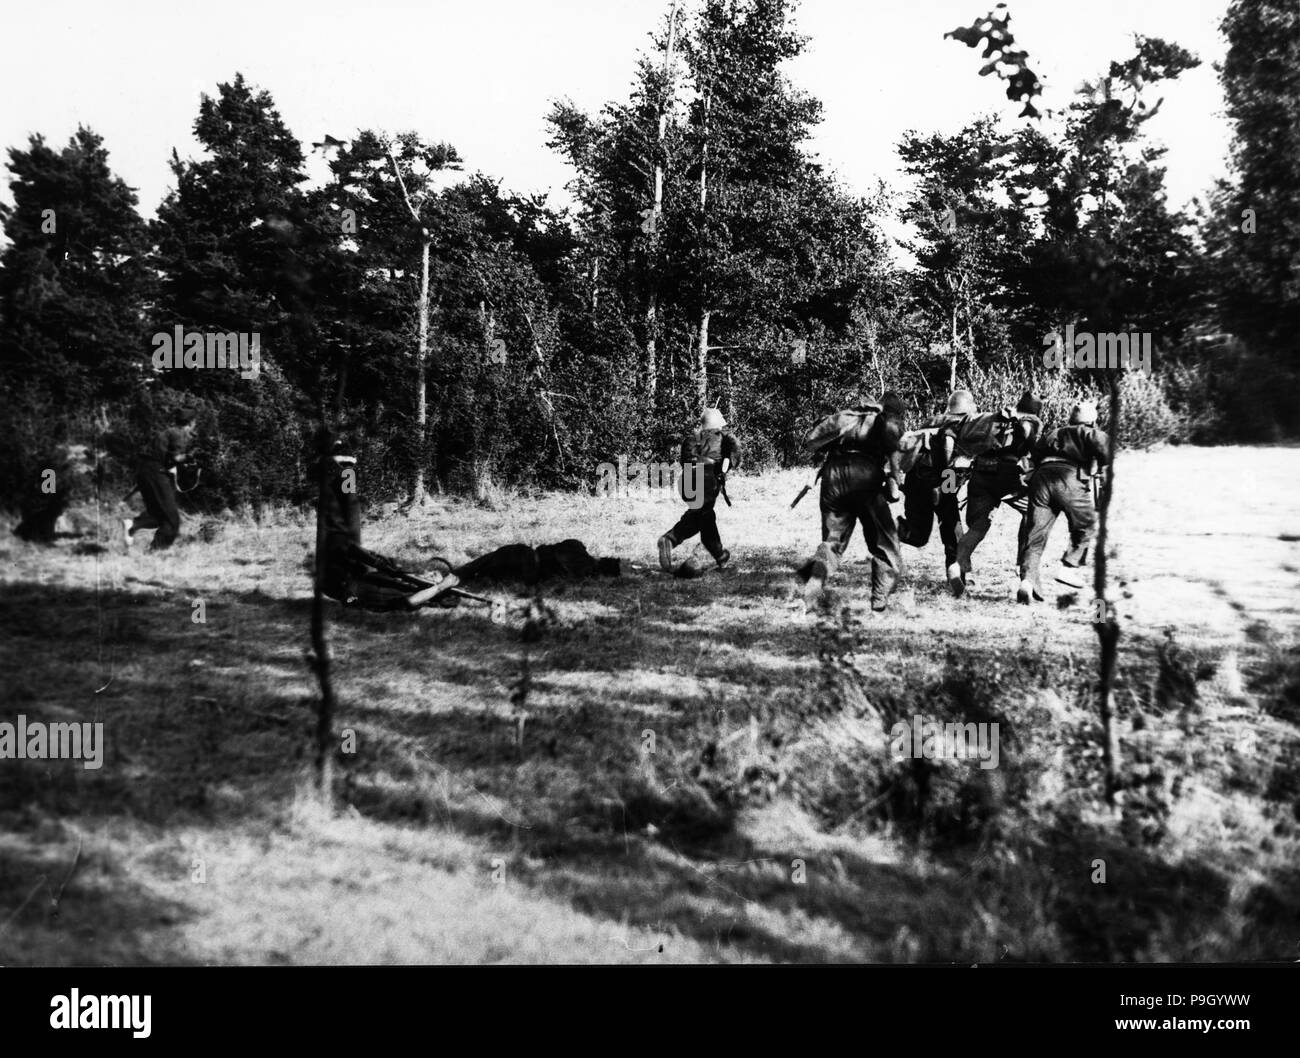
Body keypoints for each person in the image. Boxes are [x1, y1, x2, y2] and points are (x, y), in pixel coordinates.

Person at [316, 434, 460, 611]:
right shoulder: (409, 580)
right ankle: (344, 468)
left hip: (343, 585)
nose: (430, 573)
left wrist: (439, 587)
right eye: (433, 572)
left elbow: (406, 603)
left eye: (435, 576)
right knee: (348, 520)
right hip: (350, 575)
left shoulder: (414, 592)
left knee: (338, 529)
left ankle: (331, 467)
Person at [796, 390, 906, 612]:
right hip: (865, 476)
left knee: (832, 542)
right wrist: (895, 486)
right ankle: (879, 605)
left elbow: (813, 443)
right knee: (885, 545)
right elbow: (895, 462)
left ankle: (813, 585)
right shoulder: (887, 422)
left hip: (833, 477)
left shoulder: (851, 417)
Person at [946, 391, 1044, 597]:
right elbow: (1027, 432)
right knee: (1033, 512)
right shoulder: (1029, 419)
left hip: (981, 471)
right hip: (1008, 474)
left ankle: (957, 564)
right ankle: (1025, 572)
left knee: (979, 524)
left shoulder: (993, 417)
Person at [1015, 399, 1110, 605]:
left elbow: (1034, 455)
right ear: (1092, 421)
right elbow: (1107, 454)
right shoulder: (1093, 433)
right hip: (1070, 478)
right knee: (1086, 524)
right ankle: (1069, 567)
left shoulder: (1055, 432)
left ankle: (1027, 581)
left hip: (1041, 478)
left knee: (1035, 532)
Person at [897, 390, 975, 574]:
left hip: (915, 480)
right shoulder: (963, 424)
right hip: (944, 477)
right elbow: (955, 460)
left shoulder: (931, 421)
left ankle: (895, 528)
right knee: (952, 527)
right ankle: (958, 572)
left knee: (918, 535)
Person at [657, 408, 740, 573]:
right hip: (707, 481)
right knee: (705, 516)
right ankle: (671, 540)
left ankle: (719, 556)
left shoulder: (691, 438)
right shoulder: (726, 439)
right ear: (718, 424)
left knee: (703, 515)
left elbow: (685, 461)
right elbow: (733, 460)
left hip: (686, 484)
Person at [123, 408, 197, 551]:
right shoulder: (178, 434)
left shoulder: (167, 432)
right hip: (156, 474)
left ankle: (132, 525)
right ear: (191, 422)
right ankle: (156, 553)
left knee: (158, 516)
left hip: (146, 472)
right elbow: (176, 458)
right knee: (172, 521)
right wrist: (191, 456)